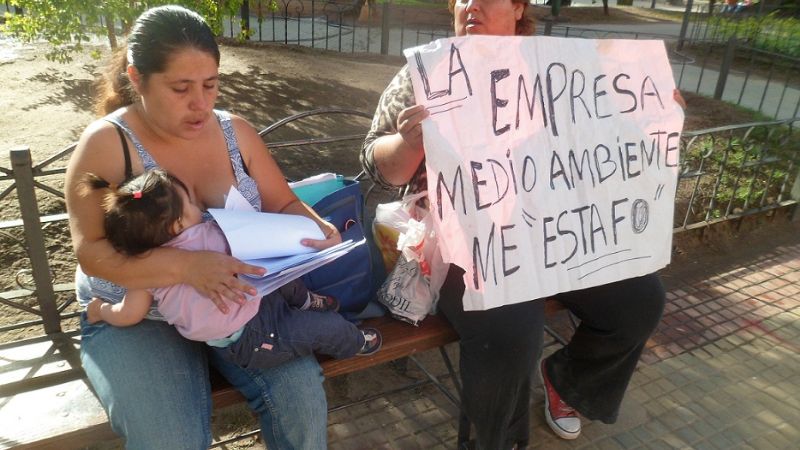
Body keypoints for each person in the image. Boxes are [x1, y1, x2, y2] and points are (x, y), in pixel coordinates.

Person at [361, 0, 681, 448]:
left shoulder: (560, 68)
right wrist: (408, 142)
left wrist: (653, 116)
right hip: (463, 241)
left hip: (557, 229)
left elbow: (604, 140)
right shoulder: (428, 72)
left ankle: (568, 383)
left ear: (517, 8)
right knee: (511, 333)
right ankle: (495, 442)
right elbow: (380, 169)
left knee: (640, 301)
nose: (470, 5)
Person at [65, 5, 336, 448]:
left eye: (210, 85)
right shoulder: (107, 143)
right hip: (139, 317)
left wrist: (318, 227)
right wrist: (186, 269)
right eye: (180, 88)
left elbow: (283, 200)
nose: (201, 104)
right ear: (136, 79)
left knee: (302, 400)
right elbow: (91, 252)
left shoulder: (235, 133)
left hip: (239, 309)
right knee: (171, 440)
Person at [80, 169, 383, 367]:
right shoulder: (208, 235)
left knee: (276, 275)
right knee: (321, 329)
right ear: (177, 224)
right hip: (252, 338)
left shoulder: (145, 270)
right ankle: (354, 341)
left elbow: (128, 313)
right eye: (191, 203)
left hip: (254, 297)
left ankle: (305, 300)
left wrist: (100, 311)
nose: (199, 206)